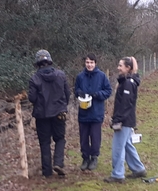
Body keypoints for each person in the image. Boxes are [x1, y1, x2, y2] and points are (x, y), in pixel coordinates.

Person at [28, 49, 70, 178]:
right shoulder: (61, 75)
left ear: (38, 63)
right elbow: (67, 93)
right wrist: (62, 106)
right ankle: (58, 163)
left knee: (45, 142)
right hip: (59, 113)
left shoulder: (34, 78)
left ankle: (47, 172)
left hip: (42, 115)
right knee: (60, 139)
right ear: (50, 61)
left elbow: (32, 98)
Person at [104, 56, 146, 183]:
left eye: (120, 65)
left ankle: (117, 175)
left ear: (128, 68)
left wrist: (117, 120)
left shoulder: (128, 83)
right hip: (128, 120)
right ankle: (138, 169)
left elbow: (126, 105)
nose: (118, 68)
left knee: (118, 147)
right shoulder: (128, 81)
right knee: (127, 145)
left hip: (124, 121)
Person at [75, 53, 112, 171]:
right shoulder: (80, 76)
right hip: (83, 112)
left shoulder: (101, 76)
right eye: (87, 62)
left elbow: (108, 91)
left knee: (95, 137)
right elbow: (76, 90)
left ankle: (94, 157)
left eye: (91, 62)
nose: (89, 65)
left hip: (96, 112)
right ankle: (85, 158)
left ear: (95, 63)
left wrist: (97, 95)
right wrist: (79, 93)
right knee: (84, 137)